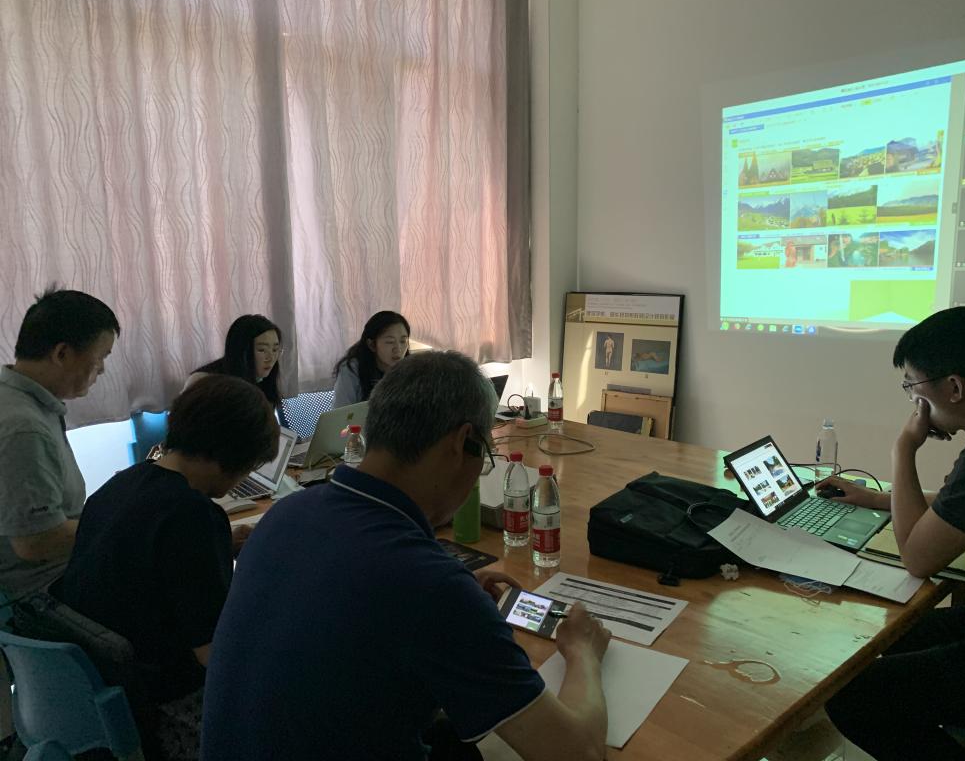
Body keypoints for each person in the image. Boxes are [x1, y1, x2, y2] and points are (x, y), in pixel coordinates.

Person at [202, 351, 610, 761]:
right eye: (485, 454)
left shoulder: (285, 516)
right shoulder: (430, 585)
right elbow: (579, 752)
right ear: (460, 443)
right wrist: (583, 653)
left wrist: (453, 605)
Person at [821, 307, 965, 760]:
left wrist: (903, 448)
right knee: (895, 635)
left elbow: (917, 557)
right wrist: (879, 498)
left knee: (853, 697)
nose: (912, 399)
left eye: (912, 385)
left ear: (953, 388)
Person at [59, 375, 279, 761]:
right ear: (230, 454)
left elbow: (144, 554)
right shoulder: (193, 515)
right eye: (248, 466)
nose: (243, 478)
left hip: (96, 689)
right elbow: (215, 654)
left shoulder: (120, 484)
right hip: (162, 702)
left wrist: (220, 546)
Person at [0, 288, 119, 597]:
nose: (102, 369)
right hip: (43, 591)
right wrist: (120, 525)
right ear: (62, 354)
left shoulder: (21, 398)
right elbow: (36, 541)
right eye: (101, 356)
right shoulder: (23, 427)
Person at [185, 314, 284, 417]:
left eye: (275, 350)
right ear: (241, 351)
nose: (271, 358)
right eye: (262, 350)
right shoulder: (203, 382)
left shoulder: (262, 381)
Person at [331, 310, 410, 407]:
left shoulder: (411, 368)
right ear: (372, 345)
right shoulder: (351, 370)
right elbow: (341, 412)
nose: (398, 349)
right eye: (390, 342)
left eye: (403, 341)